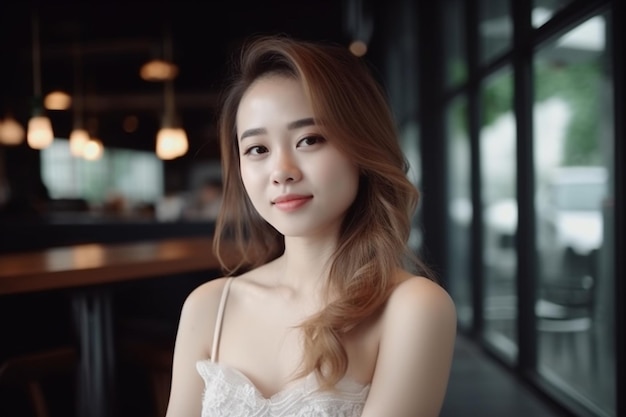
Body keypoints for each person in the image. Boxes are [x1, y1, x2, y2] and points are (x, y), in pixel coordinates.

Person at [165, 35, 457, 417]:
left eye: (309, 139)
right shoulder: (208, 307)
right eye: (258, 149)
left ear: (362, 149)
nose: (282, 171)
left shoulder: (414, 307)